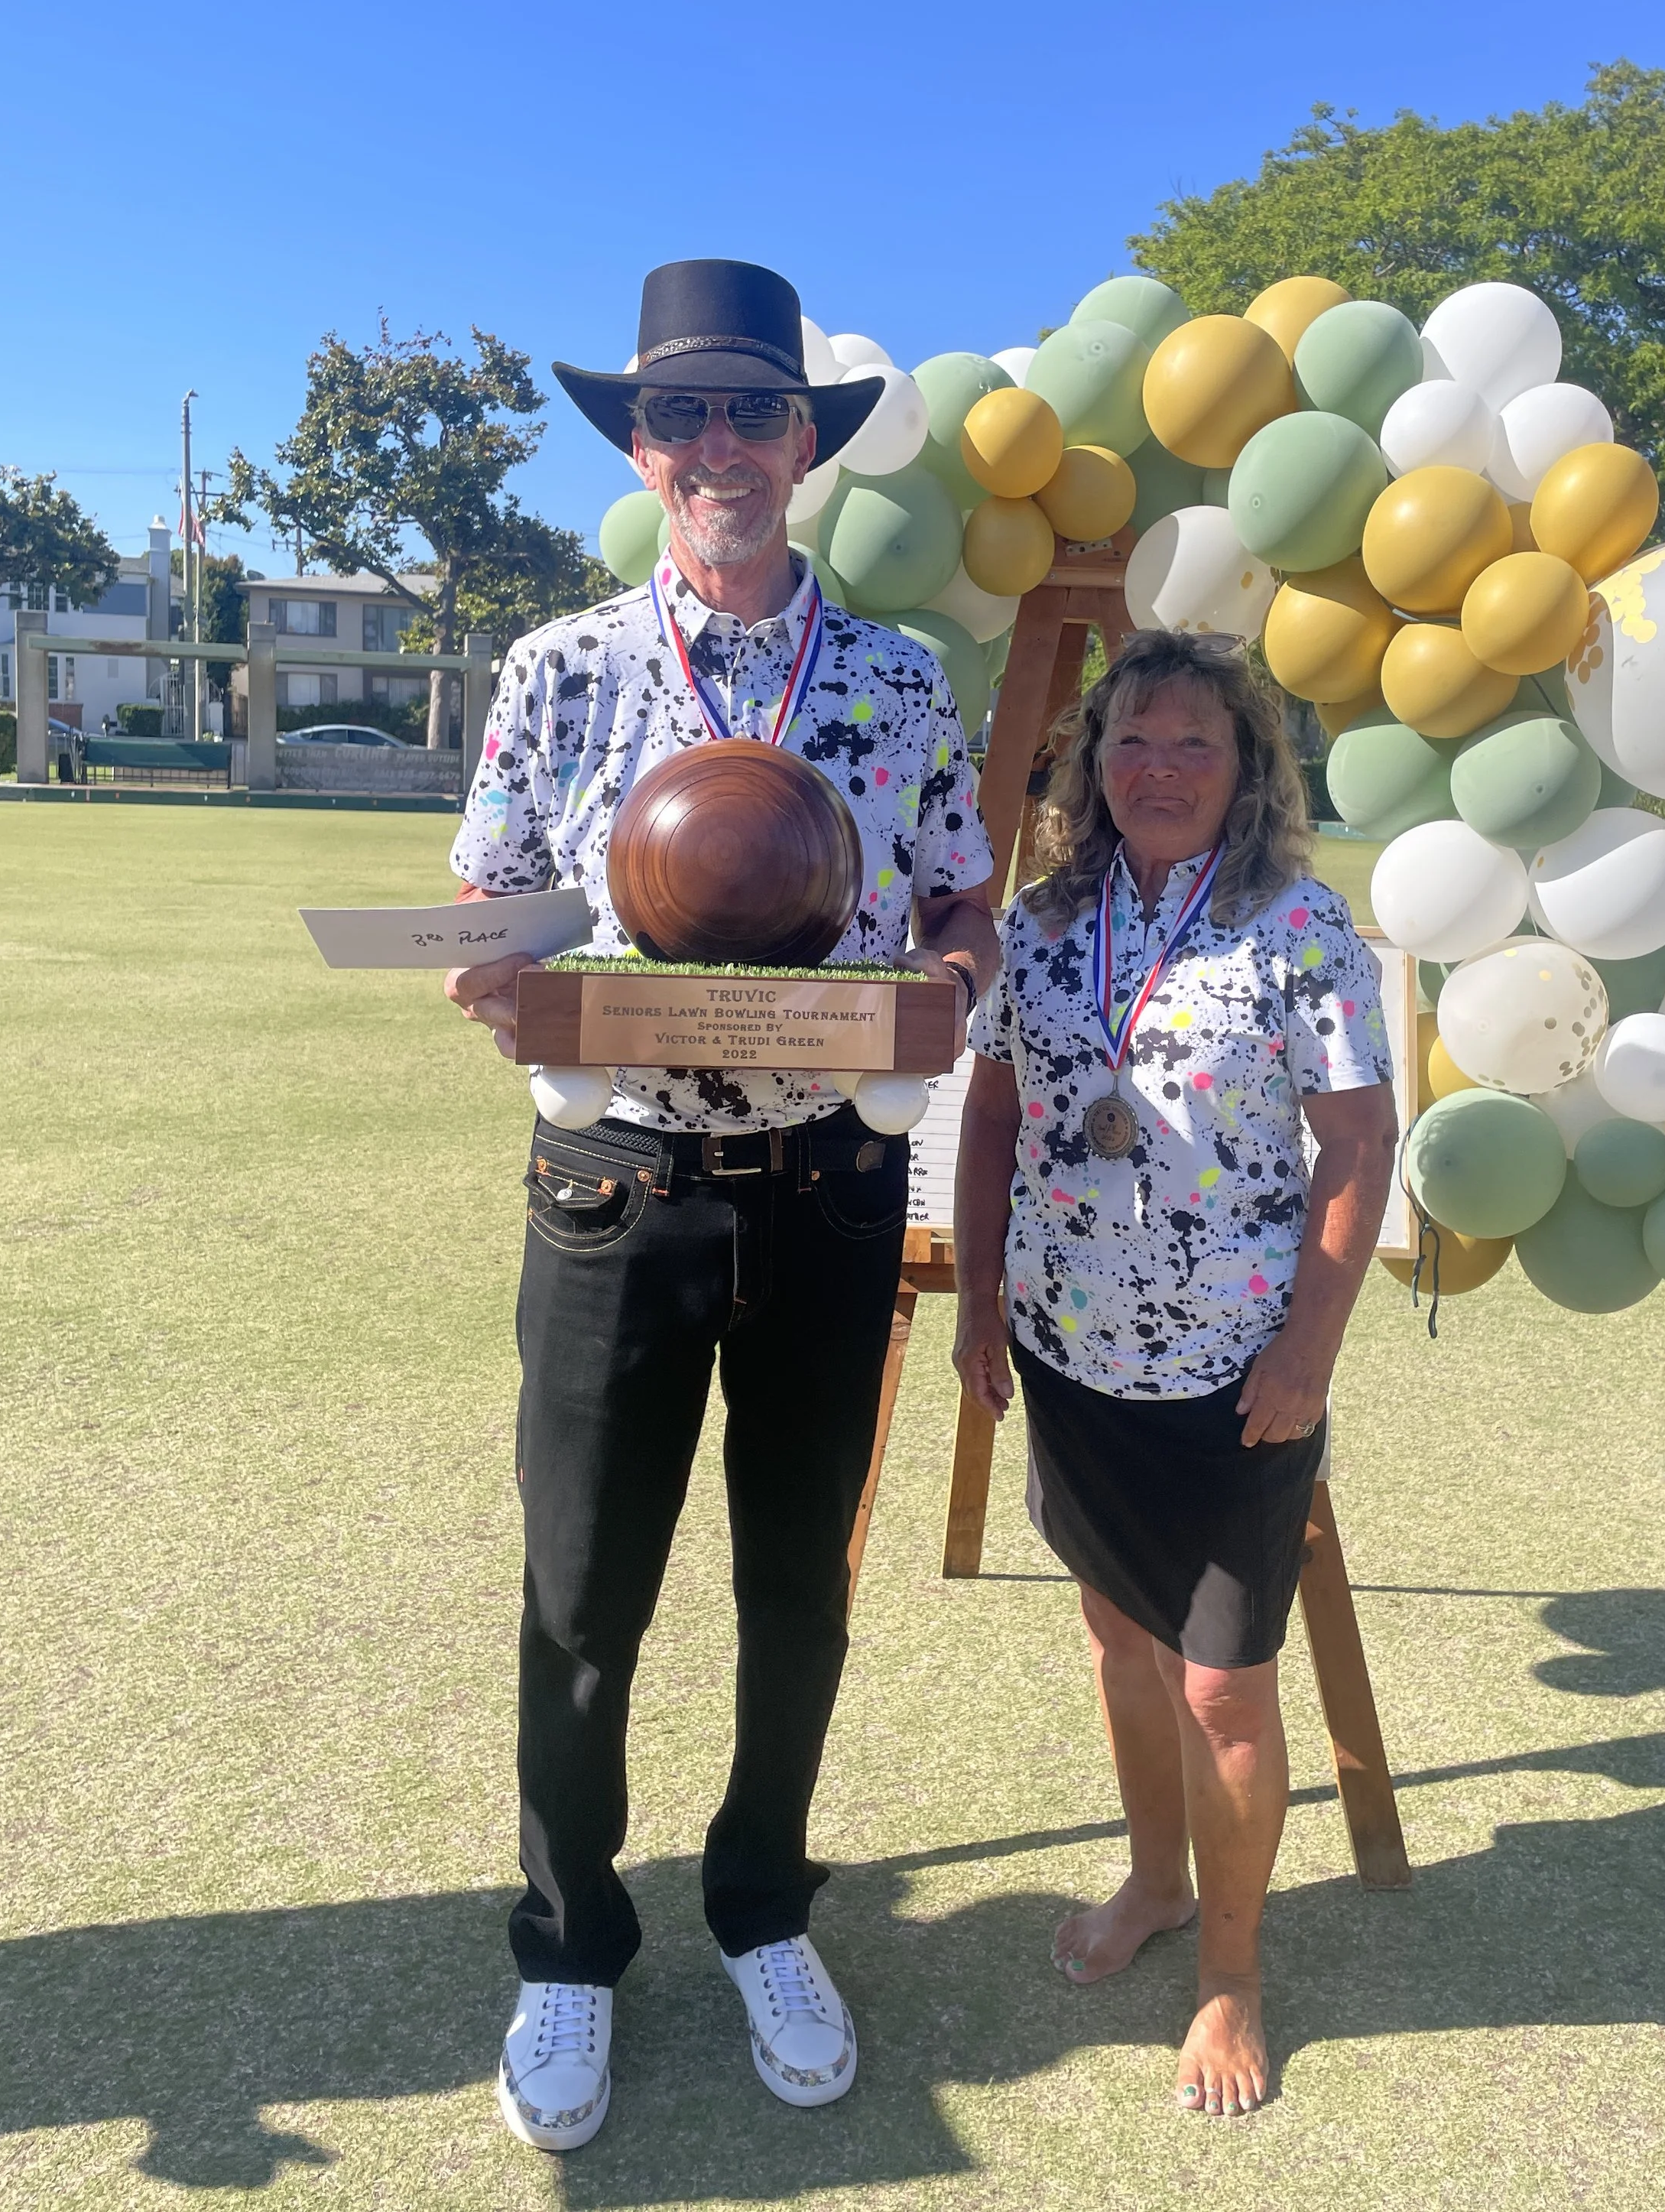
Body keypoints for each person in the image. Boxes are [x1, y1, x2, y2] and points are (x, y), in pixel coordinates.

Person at [443, 260, 998, 2150]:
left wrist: (950, 978)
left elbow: (957, 902)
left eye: (753, 411)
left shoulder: (903, 677)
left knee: (794, 1599)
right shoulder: (560, 666)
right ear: (636, 441)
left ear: (805, 442)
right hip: (615, 1182)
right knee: (583, 1594)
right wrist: (494, 982)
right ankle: (567, 1945)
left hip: (832, 1187)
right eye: (678, 415)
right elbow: (496, 895)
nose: (717, 448)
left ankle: (760, 1902)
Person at [952, 631, 1396, 2118]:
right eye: (1128, 741)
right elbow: (994, 1116)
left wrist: (1307, 1347)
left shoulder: (1299, 927)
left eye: (1191, 743)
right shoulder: (1041, 921)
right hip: (1070, 1354)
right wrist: (973, 1304)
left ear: (1245, 772)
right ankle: (1152, 1876)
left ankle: (1230, 1968)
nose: (1154, 767)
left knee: (1217, 1683)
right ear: (1089, 766)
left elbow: (1354, 1144)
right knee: (1117, 1645)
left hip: (1233, 1373)